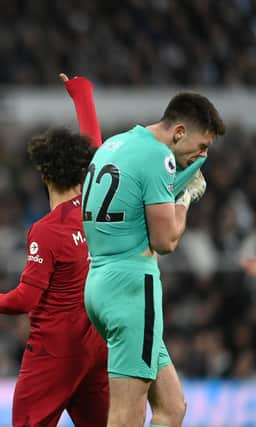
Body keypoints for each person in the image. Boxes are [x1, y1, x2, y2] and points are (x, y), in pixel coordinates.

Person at [82, 91, 225, 427]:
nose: (202, 155)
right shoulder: (159, 157)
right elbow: (166, 241)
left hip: (100, 284)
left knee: (172, 408)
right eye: (202, 146)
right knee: (126, 416)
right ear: (178, 132)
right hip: (132, 289)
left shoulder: (115, 145)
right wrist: (186, 196)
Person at [0, 74, 109, 427]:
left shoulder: (46, 231)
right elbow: (94, 144)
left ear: (44, 175)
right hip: (97, 344)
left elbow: (25, 300)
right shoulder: (96, 206)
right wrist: (82, 93)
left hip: (54, 351)